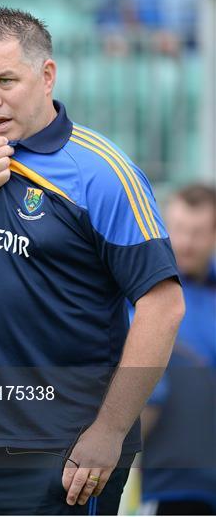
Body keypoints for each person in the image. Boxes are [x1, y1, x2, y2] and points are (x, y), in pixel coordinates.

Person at [0, 7, 184, 515]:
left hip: (60, 451)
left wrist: (108, 431)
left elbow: (164, 304)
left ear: (46, 76)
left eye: (4, 80)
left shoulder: (100, 170)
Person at [139, 184, 216, 515]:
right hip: (168, 487)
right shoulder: (139, 298)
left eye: (197, 233)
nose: (185, 242)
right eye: (179, 229)